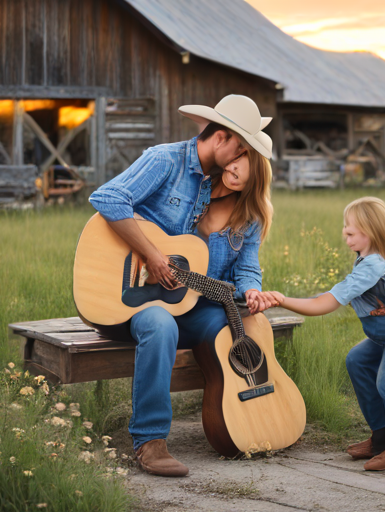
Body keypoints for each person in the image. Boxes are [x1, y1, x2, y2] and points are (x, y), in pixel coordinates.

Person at [88, 95, 277, 477]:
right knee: (160, 323)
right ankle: (150, 442)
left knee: (232, 326)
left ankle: (234, 421)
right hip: (129, 297)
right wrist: (151, 255)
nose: (241, 158)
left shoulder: (212, 185)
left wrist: (250, 290)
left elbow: (219, 260)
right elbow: (106, 197)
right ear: (222, 137)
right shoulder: (165, 160)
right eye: (240, 147)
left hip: (183, 300)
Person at [266, 197, 385, 471]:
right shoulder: (363, 261)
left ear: (370, 232)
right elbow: (326, 296)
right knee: (357, 361)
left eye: (350, 232)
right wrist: (287, 299)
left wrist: (281, 300)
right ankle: (380, 437)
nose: (345, 237)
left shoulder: (373, 266)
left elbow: (324, 304)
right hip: (380, 338)